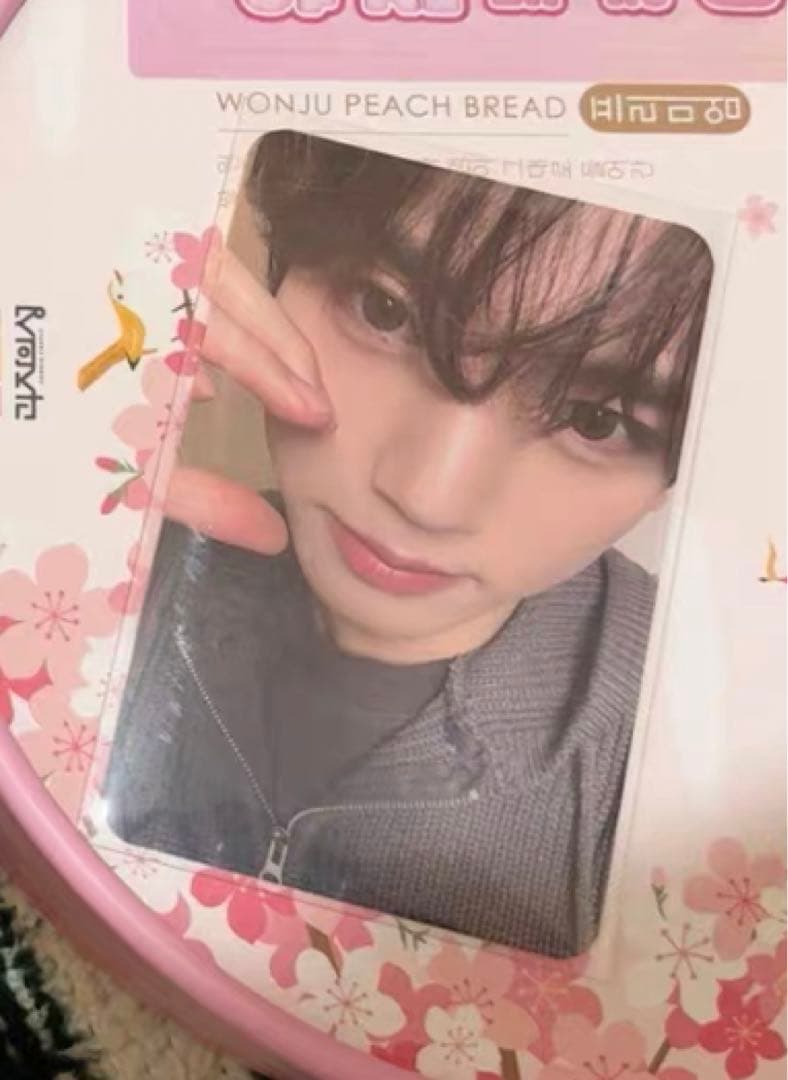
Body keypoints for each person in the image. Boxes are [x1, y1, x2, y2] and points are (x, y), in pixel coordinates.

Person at [103, 131, 714, 957]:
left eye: (594, 419)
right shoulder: (109, 551)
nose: (427, 497)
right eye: (385, 310)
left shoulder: (696, 748)